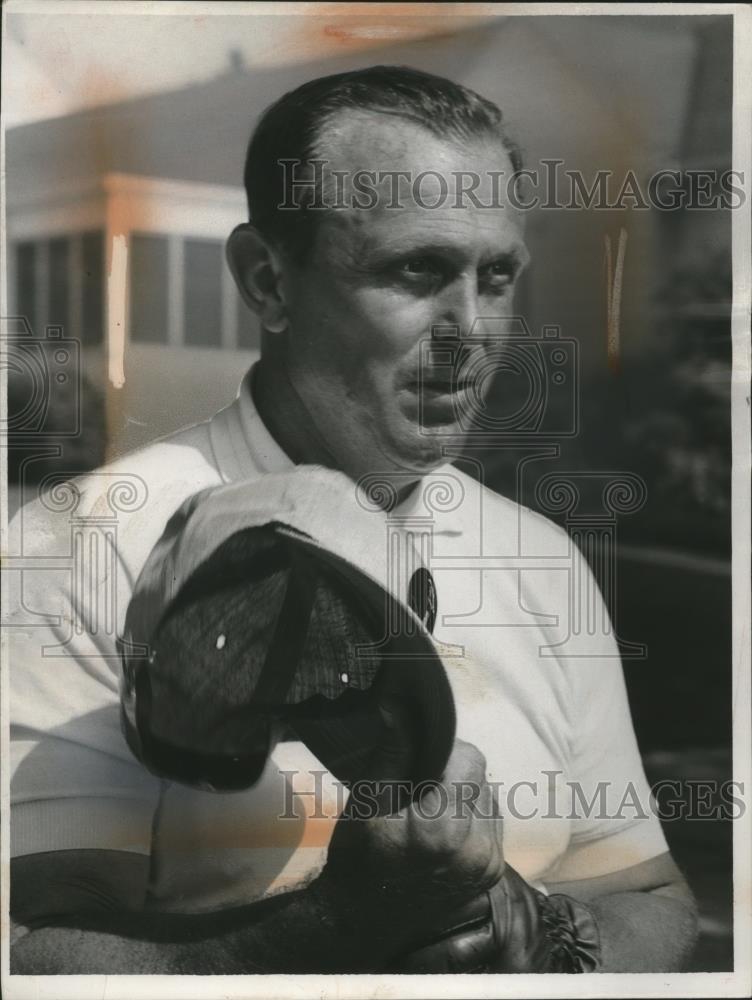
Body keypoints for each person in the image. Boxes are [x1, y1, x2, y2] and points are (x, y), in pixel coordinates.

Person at [8, 65, 698, 974]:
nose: (470, 332)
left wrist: (541, 945)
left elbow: (649, 899)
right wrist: (340, 925)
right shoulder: (74, 549)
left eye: (497, 277)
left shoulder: (543, 558)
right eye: (416, 270)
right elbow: (37, 958)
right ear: (268, 281)